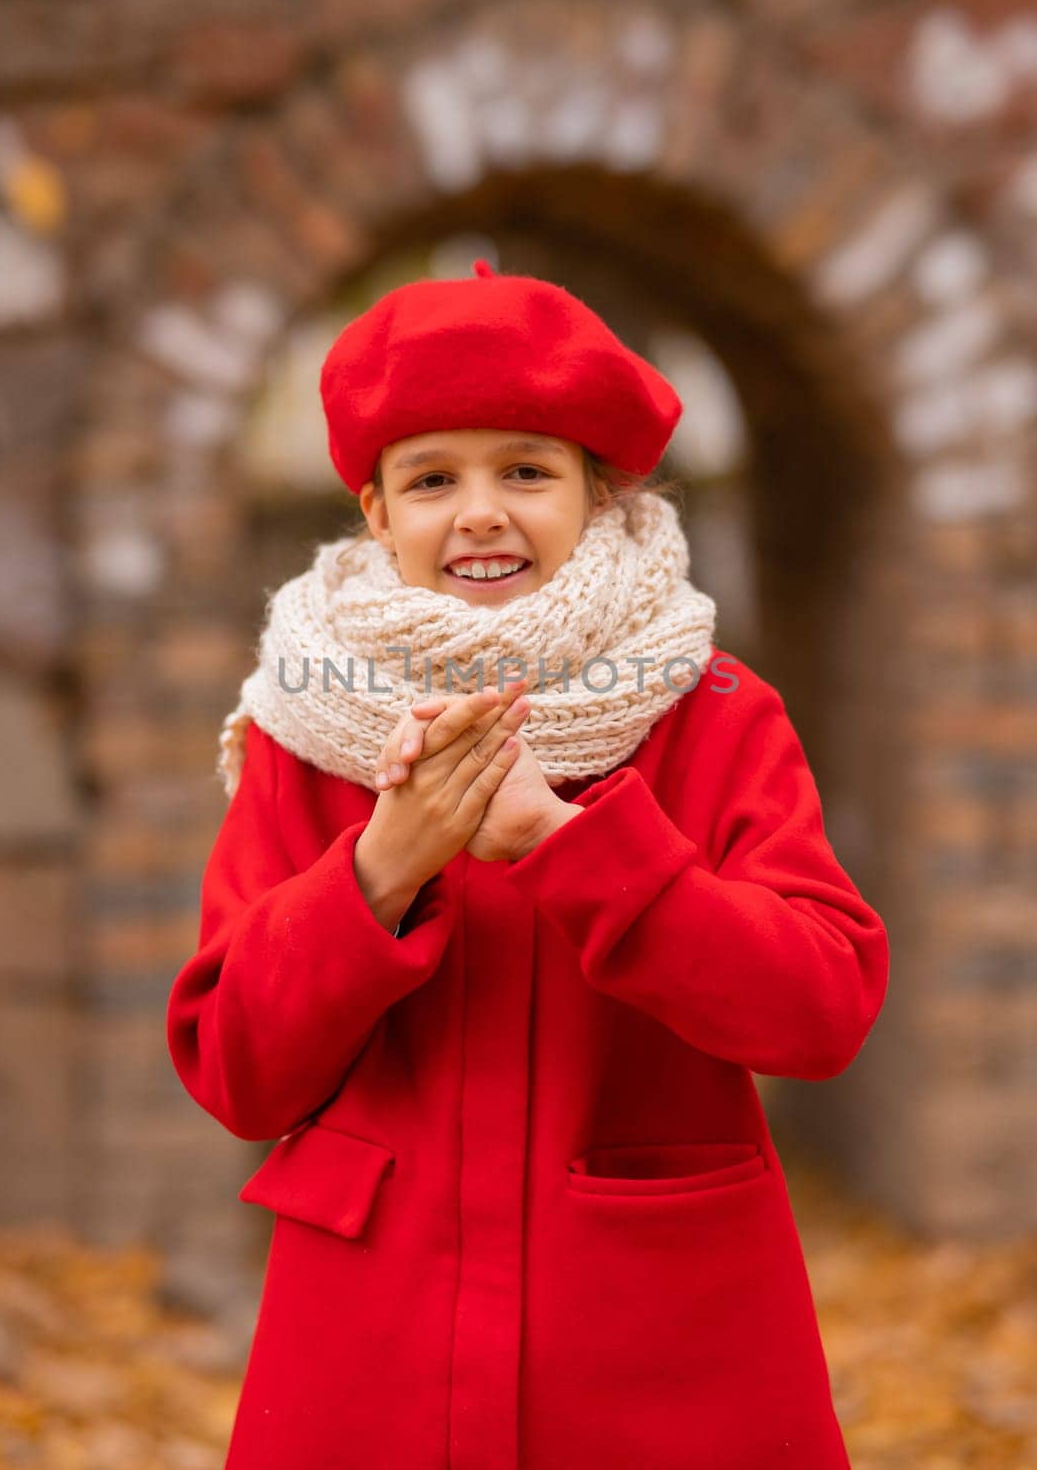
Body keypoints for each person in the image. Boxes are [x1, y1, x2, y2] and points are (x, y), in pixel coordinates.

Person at [165, 260, 890, 1470]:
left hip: (657, 1344)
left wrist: (576, 851)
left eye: (527, 470)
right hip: (373, 1342)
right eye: (433, 477)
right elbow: (237, 1068)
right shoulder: (308, 726)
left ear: (597, 497)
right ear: (377, 513)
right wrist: (379, 871)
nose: (482, 510)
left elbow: (821, 1006)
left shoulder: (711, 710)